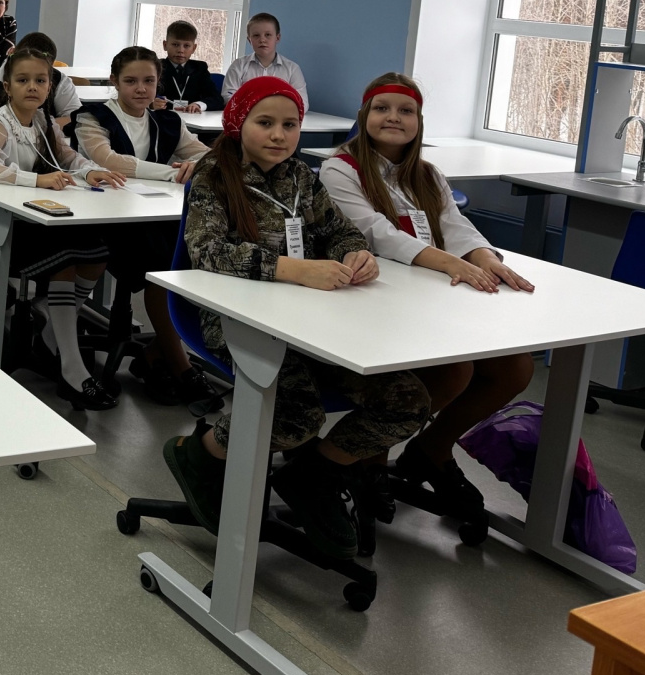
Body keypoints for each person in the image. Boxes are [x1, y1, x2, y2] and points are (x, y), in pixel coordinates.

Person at [164, 77, 430, 561]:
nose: (279, 135)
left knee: (407, 401)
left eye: (290, 125)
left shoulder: (302, 177)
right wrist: (295, 269)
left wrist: (356, 254)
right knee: (295, 414)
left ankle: (314, 474)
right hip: (236, 321)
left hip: (312, 321)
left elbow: (340, 231)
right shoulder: (213, 175)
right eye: (265, 123)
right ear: (239, 123)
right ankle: (202, 450)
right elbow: (208, 251)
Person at [320, 72, 535, 516]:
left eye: (406, 111)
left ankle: (432, 449)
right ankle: (365, 460)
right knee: (453, 370)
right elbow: (375, 234)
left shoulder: (427, 174)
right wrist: (450, 263)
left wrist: (485, 258)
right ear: (364, 115)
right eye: (382, 109)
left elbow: (455, 226)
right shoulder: (339, 168)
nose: (393, 118)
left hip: (427, 300)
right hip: (373, 301)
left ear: (419, 121)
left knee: (514, 367)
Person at [0, 47, 125, 410]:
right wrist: (36, 180)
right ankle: (72, 370)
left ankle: (54, 329)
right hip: (9, 222)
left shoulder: (43, 120)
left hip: (42, 217)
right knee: (65, 262)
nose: (32, 87)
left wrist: (90, 171)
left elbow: (67, 157)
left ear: (50, 87)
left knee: (98, 254)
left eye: (40, 80)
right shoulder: (1, 122)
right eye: (23, 80)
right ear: (7, 87)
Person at [74, 46, 216, 407]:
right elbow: (109, 160)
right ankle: (182, 367)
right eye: (131, 81)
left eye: (149, 81)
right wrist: (172, 172)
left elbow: (205, 154)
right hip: (106, 223)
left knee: (195, 260)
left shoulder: (167, 121)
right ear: (114, 81)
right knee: (165, 268)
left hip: (156, 218)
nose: (141, 89)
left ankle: (156, 352)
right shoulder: (92, 117)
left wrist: (197, 165)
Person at [221, 12, 308, 106]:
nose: (262, 40)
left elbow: (302, 102)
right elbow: (228, 96)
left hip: (280, 113)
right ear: (249, 40)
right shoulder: (238, 66)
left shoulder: (292, 69)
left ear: (277, 38)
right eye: (256, 35)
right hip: (246, 114)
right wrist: (252, 107)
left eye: (268, 35)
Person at [152, 19, 222, 112]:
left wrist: (198, 105)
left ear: (194, 48)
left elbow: (217, 99)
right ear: (165, 45)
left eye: (186, 46)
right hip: (163, 116)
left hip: (192, 117)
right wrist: (151, 104)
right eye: (175, 44)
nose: (180, 50)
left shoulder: (200, 68)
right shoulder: (155, 67)